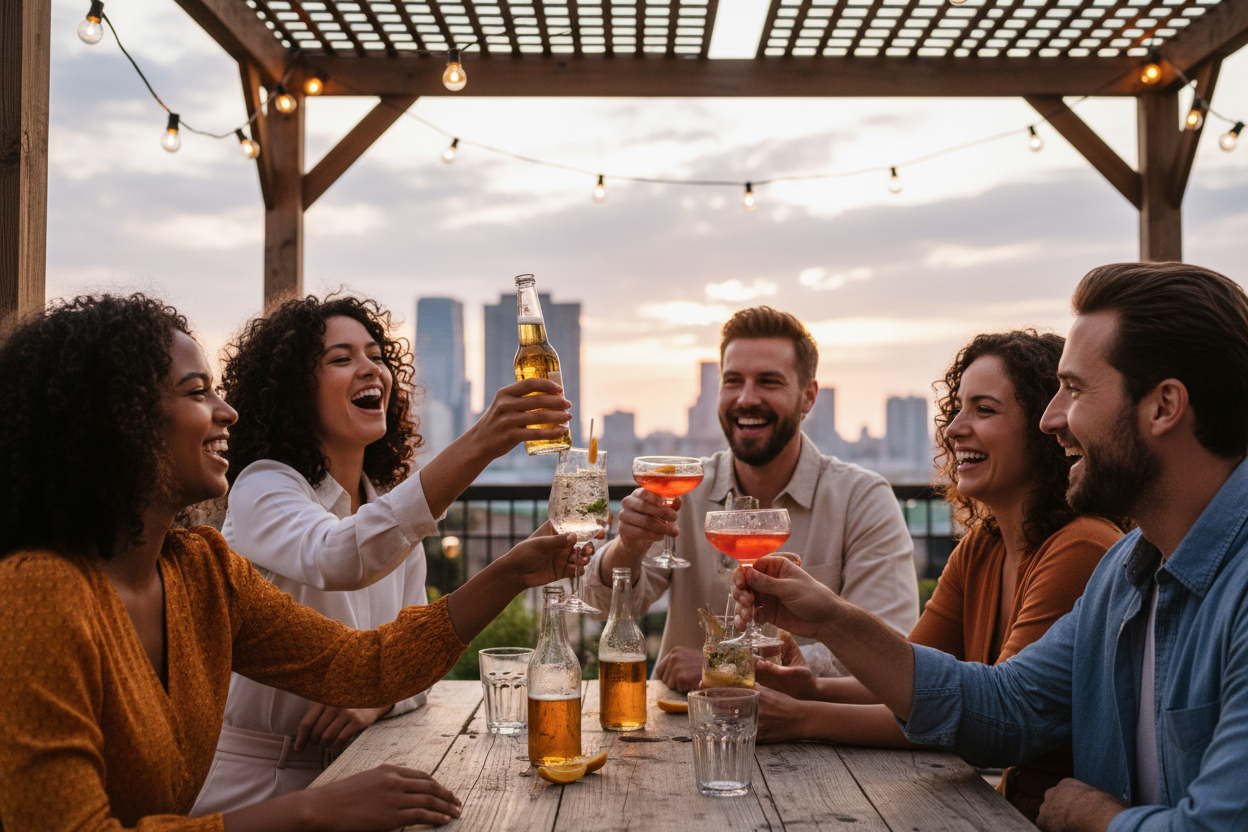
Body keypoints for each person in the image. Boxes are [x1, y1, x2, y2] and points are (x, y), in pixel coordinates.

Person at [0, 294, 588, 831]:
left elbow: (368, 666)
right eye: (197, 391)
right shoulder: (40, 593)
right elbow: (339, 557)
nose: (226, 410)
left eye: (376, 355)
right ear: (118, 420)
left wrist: (513, 571)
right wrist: (314, 808)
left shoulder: (200, 571)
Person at [732, 262, 1248, 832]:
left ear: (1164, 406)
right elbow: (1004, 708)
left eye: (1074, 389)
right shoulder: (1123, 575)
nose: (1053, 418)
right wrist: (829, 617)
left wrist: (1100, 821)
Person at [190, 295, 575, 815]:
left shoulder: (385, 509)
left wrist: (377, 699)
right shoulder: (263, 486)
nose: (371, 368)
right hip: (259, 786)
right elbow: (340, 557)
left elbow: (412, 655)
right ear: (294, 392)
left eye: (375, 354)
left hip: (359, 777)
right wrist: (485, 439)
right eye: (341, 358)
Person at [754, 330, 1124, 822]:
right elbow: (911, 680)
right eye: (958, 409)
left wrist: (804, 718)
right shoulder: (982, 547)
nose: (953, 429)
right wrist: (810, 689)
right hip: (1003, 809)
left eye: (985, 410)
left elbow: (986, 721)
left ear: (1045, 428)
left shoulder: (1080, 547)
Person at [583, 306, 919, 691]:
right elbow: (599, 608)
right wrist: (627, 546)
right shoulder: (686, 491)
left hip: (818, 744)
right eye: (732, 381)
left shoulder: (861, 499)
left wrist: (727, 667)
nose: (746, 398)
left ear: (808, 397)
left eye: (769, 382)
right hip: (682, 735)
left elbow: (891, 648)